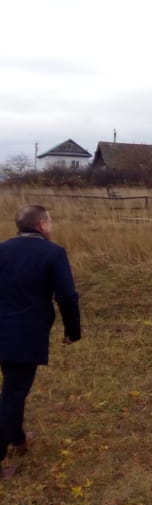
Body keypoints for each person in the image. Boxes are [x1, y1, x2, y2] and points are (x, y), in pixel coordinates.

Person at [0, 204, 81, 481]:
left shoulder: (2, 249)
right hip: (23, 335)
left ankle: (17, 438)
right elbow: (67, 296)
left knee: (13, 386)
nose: (51, 226)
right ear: (42, 225)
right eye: (50, 222)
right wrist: (73, 330)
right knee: (13, 392)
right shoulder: (53, 253)